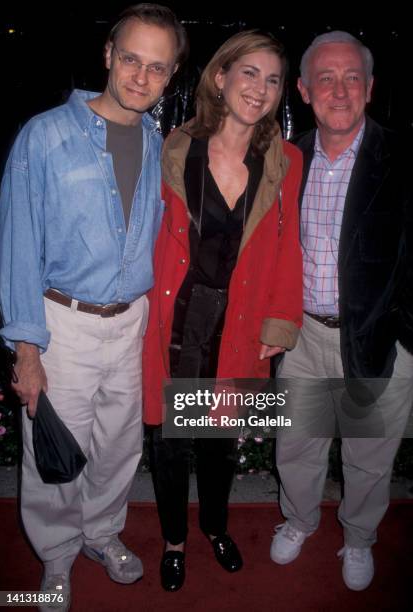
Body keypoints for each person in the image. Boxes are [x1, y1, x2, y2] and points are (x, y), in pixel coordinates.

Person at [0, 4, 188, 610]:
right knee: (55, 454)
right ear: (108, 54)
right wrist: (26, 349)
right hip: (64, 325)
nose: (141, 76)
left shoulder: (157, 141)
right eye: (131, 58)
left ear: (171, 75)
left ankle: (102, 535)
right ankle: (56, 558)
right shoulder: (46, 134)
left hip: (130, 323)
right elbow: (18, 243)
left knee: (118, 448)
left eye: (157, 67)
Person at [142, 29, 303, 592]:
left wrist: (280, 324)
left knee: (221, 436)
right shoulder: (173, 145)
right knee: (171, 440)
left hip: (242, 319)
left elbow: (289, 249)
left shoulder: (286, 160)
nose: (259, 87)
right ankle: (174, 540)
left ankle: (213, 525)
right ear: (220, 77)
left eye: (273, 78)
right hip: (177, 318)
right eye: (249, 72)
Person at [271, 31, 413, 591]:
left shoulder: (403, 156)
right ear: (303, 90)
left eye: (351, 76)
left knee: (368, 455)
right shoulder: (285, 160)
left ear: (370, 87)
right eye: (324, 78)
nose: (338, 89)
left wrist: (404, 329)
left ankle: (358, 538)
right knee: (297, 445)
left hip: (376, 335)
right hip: (303, 335)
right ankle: (300, 520)